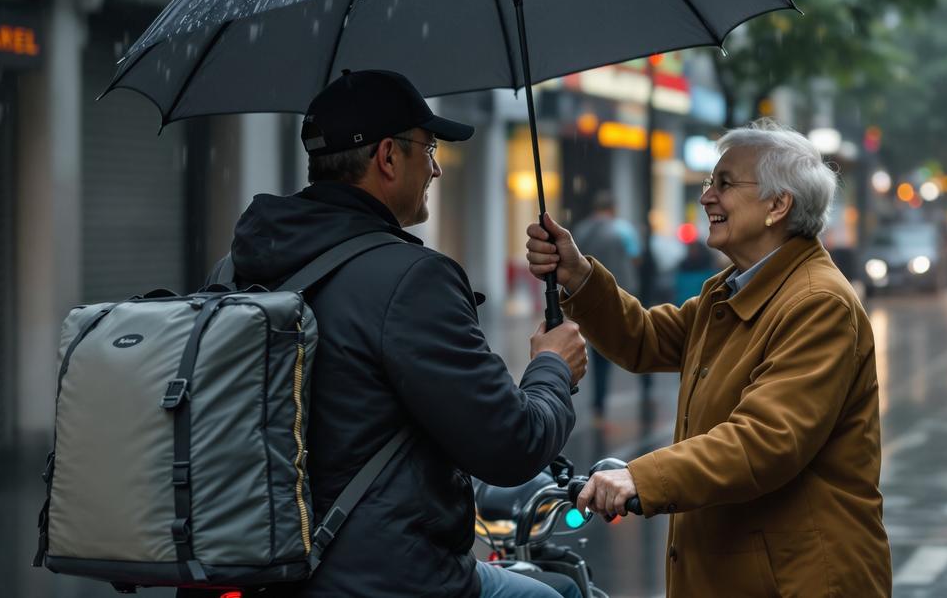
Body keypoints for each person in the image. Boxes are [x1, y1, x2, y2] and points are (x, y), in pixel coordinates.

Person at [228, 69, 587, 598]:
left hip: (259, 566)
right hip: (385, 578)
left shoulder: (238, 266)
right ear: (388, 157)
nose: (437, 168)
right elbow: (512, 445)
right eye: (430, 147)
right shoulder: (411, 279)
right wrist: (552, 367)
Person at [526, 119, 892, 597]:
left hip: (799, 581)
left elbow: (764, 440)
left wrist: (640, 477)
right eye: (708, 182)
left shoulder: (816, 303)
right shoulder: (732, 289)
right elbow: (644, 338)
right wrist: (578, 275)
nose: (706, 197)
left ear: (777, 205)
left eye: (724, 183)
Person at [571, 190, 640, 420]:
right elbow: (635, 257)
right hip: (615, 296)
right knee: (609, 348)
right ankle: (604, 398)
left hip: (584, 298)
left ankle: (595, 401)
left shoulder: (581, 230)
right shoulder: (622, 230)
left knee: (590, 346)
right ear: (613, 208)